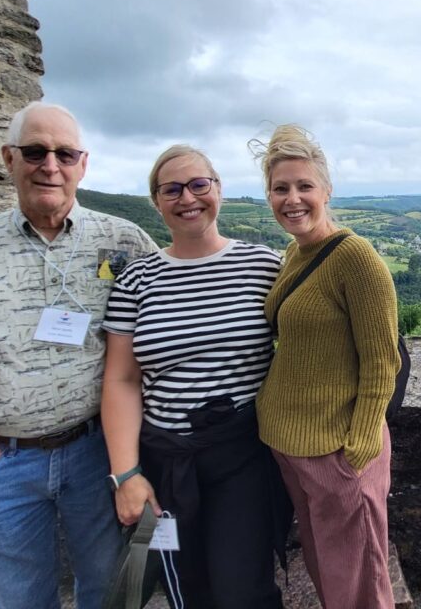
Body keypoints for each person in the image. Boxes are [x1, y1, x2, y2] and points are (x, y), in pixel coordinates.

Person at [0, 102, 158, 609]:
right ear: (9, 159)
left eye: (64, 153)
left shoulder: (124, 242)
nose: (49, 165)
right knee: (20, 600)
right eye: (35, 151)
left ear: (83, 163)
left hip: (98, 455)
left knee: (110, 591)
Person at [101, 144, 290, 609]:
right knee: (188, 592)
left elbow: (308, 349)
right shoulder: (136, 281)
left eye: (199, 184)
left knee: (244, 590)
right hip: (167, 461)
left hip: (242, 454)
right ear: (157, 201)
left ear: (218, 189)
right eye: (172, 189)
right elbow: (122, 379)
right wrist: (127, 474)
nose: (188, 197)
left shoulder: (263, 266)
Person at [253, 124, 401, 609]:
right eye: (280, 189)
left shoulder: (355, 258)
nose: (292, 199)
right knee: (323, 565)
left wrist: (357, 448)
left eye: (304, 186)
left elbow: (383, 362)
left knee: (358, 582)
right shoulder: (295, 254)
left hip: (338, 449)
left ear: (326, 190)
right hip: (291, 444)